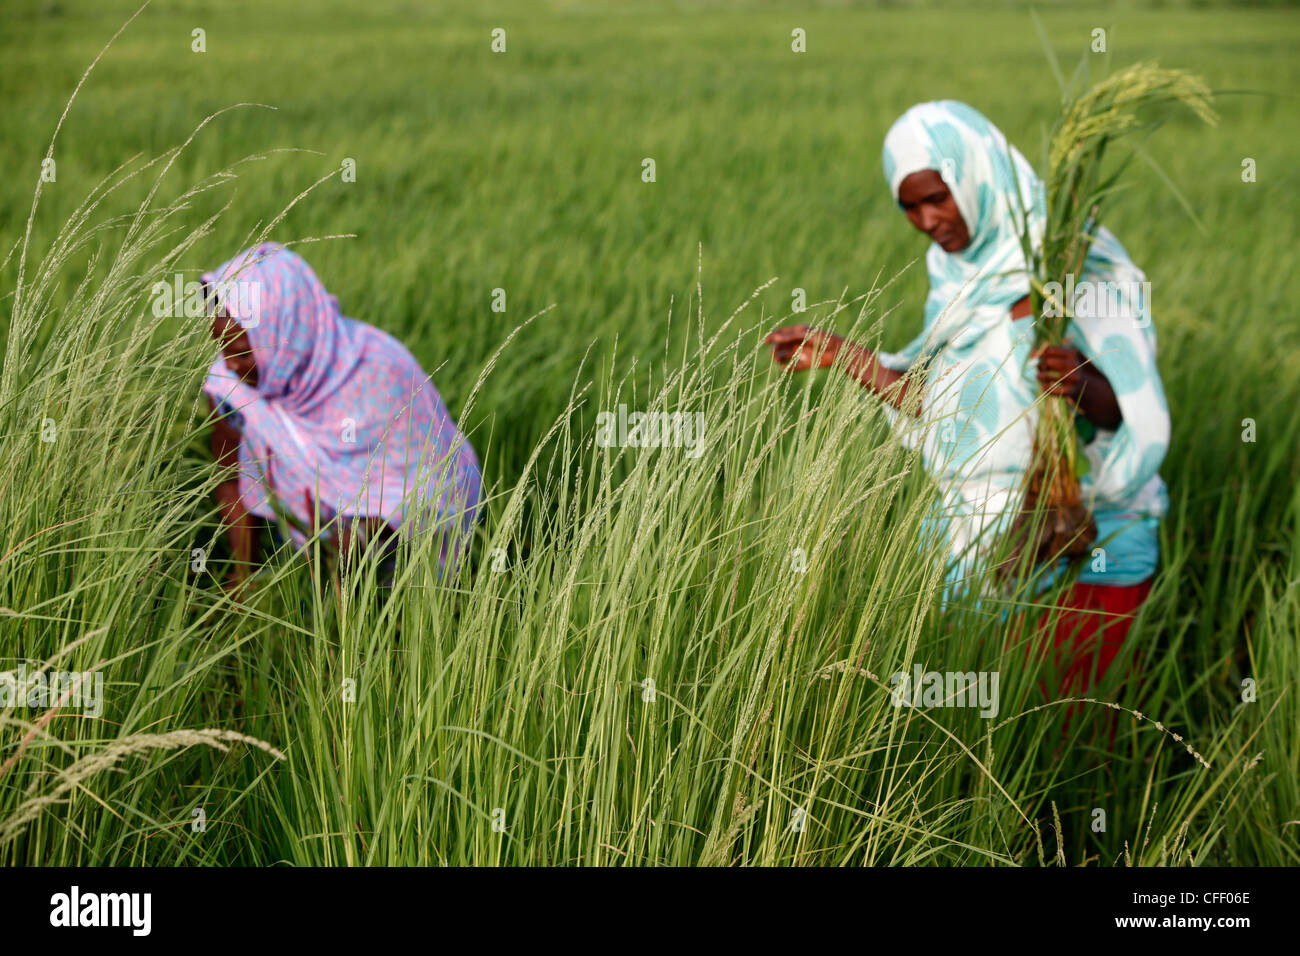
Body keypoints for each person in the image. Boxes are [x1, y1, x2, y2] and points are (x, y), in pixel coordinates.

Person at [766, 100, 1170, 699]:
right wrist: (845, 358)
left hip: (1089, 537)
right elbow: (945, 403)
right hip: (985, 544)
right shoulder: (957, 276)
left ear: (976, 175)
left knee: (1079, 727)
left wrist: (1082, 385)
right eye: (910, 206)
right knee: (995, 727)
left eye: (938, 197)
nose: (928, 219)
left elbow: (1133, 408)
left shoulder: (1071, 258)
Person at [202, 241, 482, 594]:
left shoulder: (379, 373)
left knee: (403, 609)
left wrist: (353, 546)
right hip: (317, 550)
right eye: (222, 346)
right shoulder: (233, 387)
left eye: (242, 352)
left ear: (284, 333)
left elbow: (434, 484)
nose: (229, 365)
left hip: (419, 545)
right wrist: (242, 577)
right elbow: (229, 475)